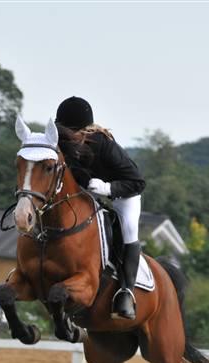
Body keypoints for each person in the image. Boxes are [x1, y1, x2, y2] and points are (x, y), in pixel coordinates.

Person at [55, 96, 146, 320]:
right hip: (87, 196)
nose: (63, 138)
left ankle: (126, 292)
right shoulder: (63, 143)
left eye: (67, 133)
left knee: (128, 231)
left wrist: (107, 187)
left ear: (83, 130)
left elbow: (137, 182)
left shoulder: (104, 145)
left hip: (122, 194)